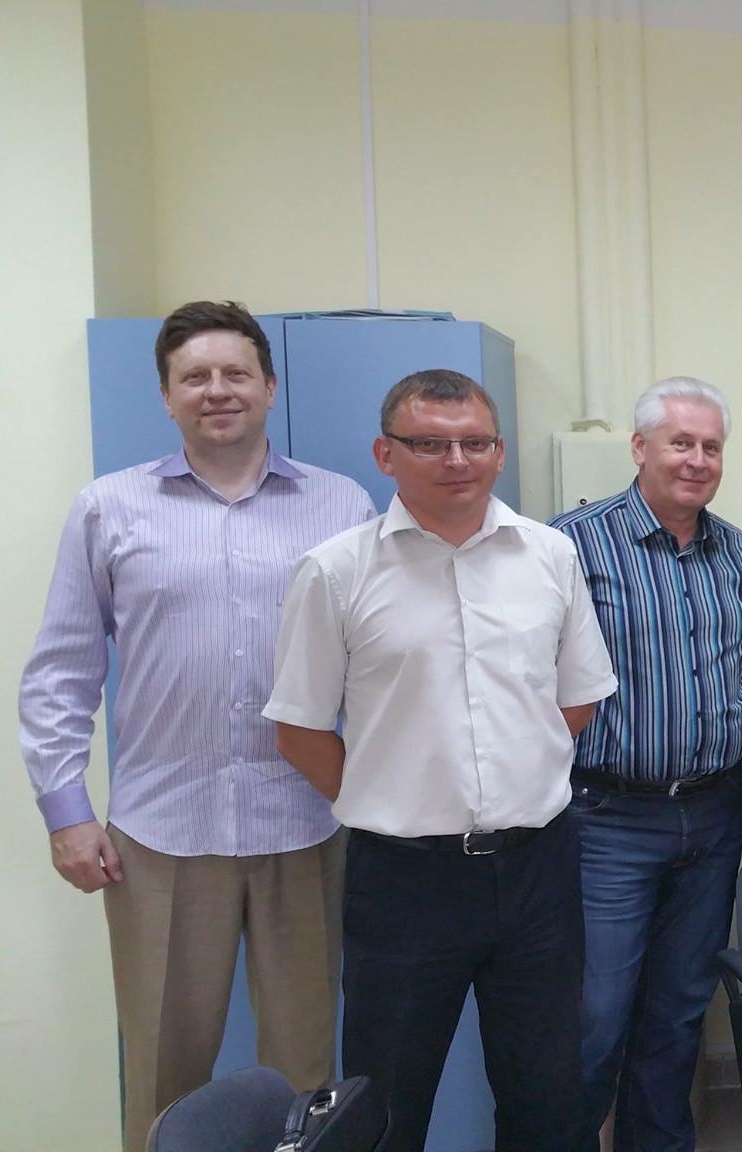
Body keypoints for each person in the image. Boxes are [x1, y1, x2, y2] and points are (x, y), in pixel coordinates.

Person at [17, 300, 376, 1152]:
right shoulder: (109, 508)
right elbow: (62, 669)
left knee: (304, 1079)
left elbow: (378, 661)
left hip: (306, 825)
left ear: (269, 387)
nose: (218, 391)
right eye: (196, 377)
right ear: (167, 395)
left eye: (236, 373)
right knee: (163, 1073)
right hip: (162, 835)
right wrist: (66, 812)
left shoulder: (341, 503)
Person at [266, 369, 618, 1152]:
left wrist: (511, 778)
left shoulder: (550, 556)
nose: (457, 460)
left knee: (547, 1099)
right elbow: (299, 729)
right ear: (385, 455)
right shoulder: (336, 570)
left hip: (537, 870)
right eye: (429, 444)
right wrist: (391, 797)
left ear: (499, 452)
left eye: (475, 443)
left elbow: (576, 702)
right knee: (386, 1107)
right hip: (403, 881)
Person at [550, 376, 742, 1152]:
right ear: (639, 447)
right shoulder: (572, 545)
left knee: (679, 1010)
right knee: (593, 1015)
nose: (696, 459)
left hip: (713, 815)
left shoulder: (739, 555)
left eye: (710, 446)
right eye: (680, 442)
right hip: (605, 819)